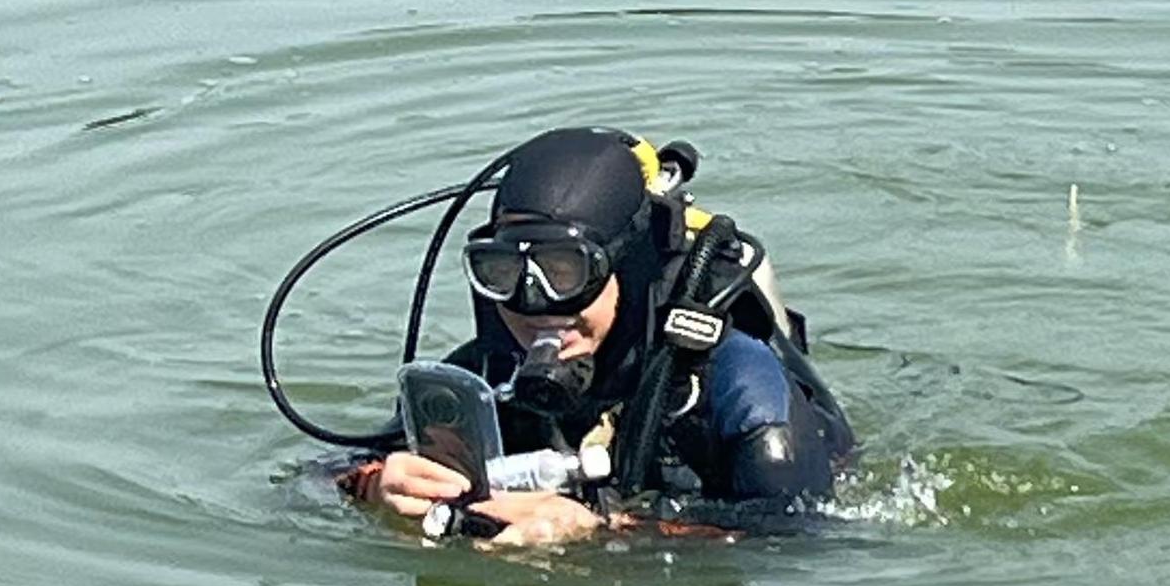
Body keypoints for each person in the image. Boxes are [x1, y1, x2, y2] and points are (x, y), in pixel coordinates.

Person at [333, 127, 854, 546]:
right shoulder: (484, 376)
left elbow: (800, 539)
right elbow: (320, 476)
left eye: (565, 272)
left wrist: (599, 532)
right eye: (503, 272)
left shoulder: (741, 387)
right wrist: (377, 486)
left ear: (627, 269)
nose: (535, 305)